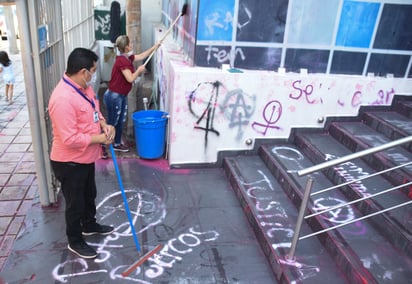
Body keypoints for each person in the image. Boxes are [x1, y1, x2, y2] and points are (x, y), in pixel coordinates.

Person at [48, 48, 116, 259]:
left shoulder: (83, 87)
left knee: (89, 194)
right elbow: (69, 139)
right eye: (93, 71)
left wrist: (105, 125)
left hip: (86, 158)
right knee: (75, 203)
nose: (93, 75)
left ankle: (89, 224)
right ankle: (75, 241)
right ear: (83, 71)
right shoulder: (62, 99)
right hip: (69, 162)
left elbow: (95, 111)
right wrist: (100, 139)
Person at [104, 35, 159, 152]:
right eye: (130, 44)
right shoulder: (122, 61)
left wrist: (155, 47)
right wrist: (139, 71)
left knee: (119, 121)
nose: (132, 45)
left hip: (120, 95)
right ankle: (103, 146)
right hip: (115, 96)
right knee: (112, 123)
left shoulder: (127, 58)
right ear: (126, 47)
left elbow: (142, 56)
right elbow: (130, 78)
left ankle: (117, 143)